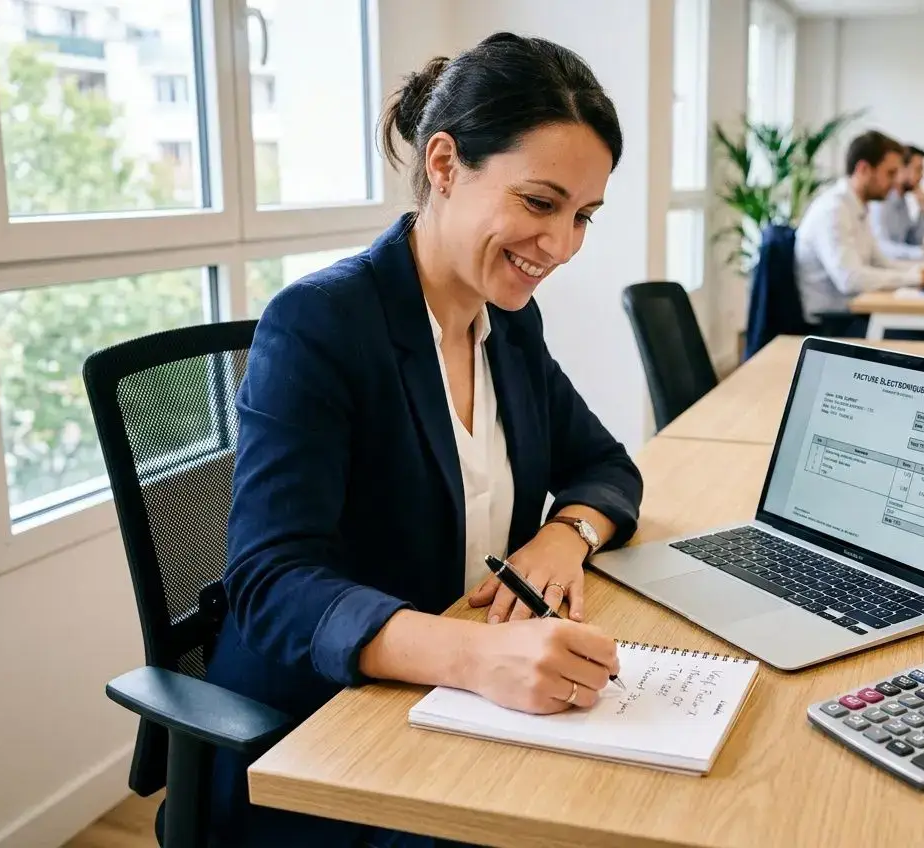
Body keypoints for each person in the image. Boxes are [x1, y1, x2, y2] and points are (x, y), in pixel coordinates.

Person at [203, 32, 644, 847]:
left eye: (583, 216)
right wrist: (472, 658)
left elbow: (606, 466)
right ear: (444, 165)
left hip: (461, 707)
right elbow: (269, 582)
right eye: (540, 203)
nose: (563, 246)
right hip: (326, 731)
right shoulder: (320, 324)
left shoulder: (507, 324)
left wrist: (564, 534)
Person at [795, 130, 924, 338]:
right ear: (864, 169)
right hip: (832, 323)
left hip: (856, 314)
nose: (895, 181)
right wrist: (921, 276)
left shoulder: (858, 208)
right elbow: (851, 280)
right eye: (890, 173)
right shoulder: (833, 211)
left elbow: (881, 262)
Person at [870, 144, 924, 260]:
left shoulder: (902, 202)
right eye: (918, 169)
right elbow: (882, 247)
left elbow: (914, 242)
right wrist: (921, 253)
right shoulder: (881, 201)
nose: (922, 176)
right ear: (902, 169)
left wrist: (923, 209)